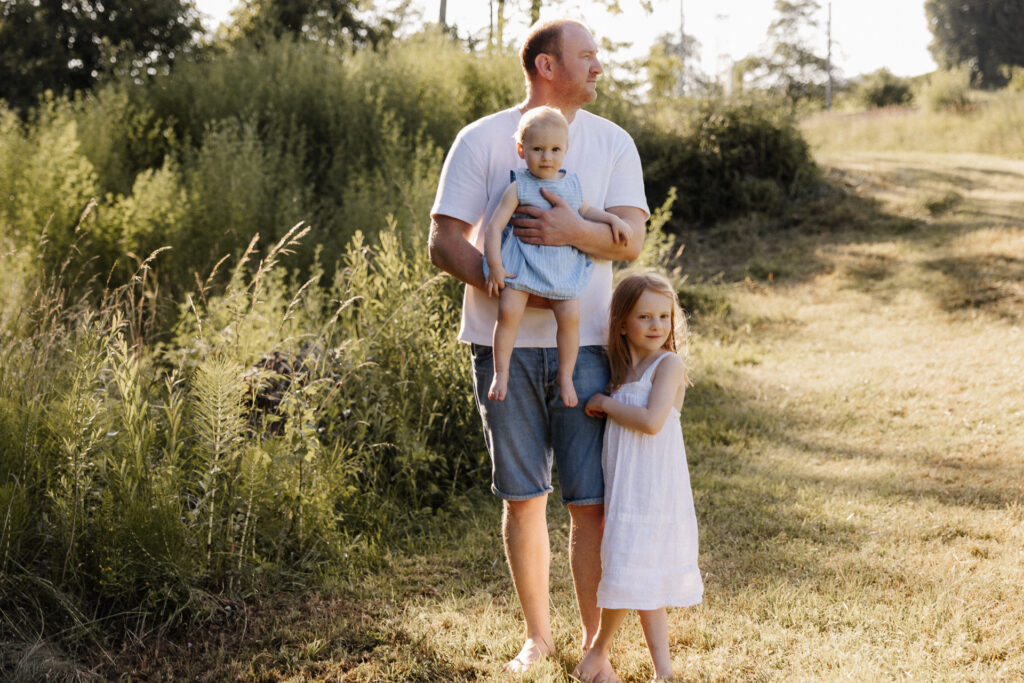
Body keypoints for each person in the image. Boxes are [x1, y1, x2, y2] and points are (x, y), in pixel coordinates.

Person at [428, 18, 650, 672]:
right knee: (522, 494)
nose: (599, 67)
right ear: (547, 66)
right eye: (587, 56)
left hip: (585, 350)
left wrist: (568, 228)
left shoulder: (613, 143)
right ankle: (538, 637)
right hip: (502, 347)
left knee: (590, 501)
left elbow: (630, 240)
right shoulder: (481, 139)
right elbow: (443, 241)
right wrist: (507, 284)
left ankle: (594, 649)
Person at [575, 272, 704, 682]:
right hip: (626, 487)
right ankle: (663, 672)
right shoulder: (624, 369)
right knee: (638, 573)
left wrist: (604, 403)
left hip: (653, 488)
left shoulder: (669, 364)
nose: (656, 326)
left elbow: (650, 422)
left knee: (629, 569)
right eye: (644, 316)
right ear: (622, 324)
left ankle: (596, 653)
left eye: (664, 317)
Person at [483, 105, 630, 406]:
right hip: (522, 263)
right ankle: (501, 372)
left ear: (566, 150)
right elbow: (494, 227)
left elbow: (587, 211)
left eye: (554, 149)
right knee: (508, 311)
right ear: (521, 149)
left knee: (570, 317)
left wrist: (613, 219)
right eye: (537, 149)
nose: (546, 157)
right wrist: (495, 266)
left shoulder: (571, 184)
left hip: (561, 267)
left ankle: (565, 376)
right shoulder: (518, 186)